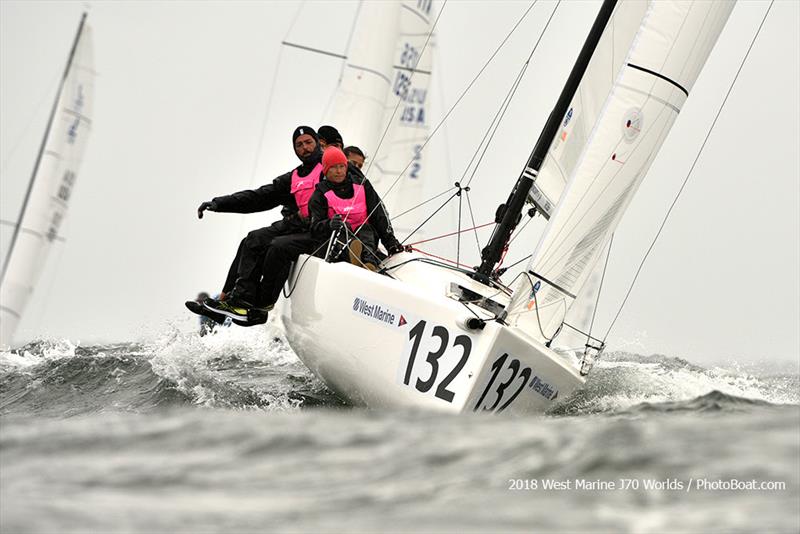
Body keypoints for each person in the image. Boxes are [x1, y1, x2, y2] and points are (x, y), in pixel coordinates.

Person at [191, 126, 324, 324]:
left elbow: (361, 196)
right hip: (297, 227)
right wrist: (219, 203)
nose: (304, 148)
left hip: (320, 230)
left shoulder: (332, 168)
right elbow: (259, 197)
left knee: (277, 247)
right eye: (299, 145)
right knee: (253, 239)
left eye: (308, 142)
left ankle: (259, 307)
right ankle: (237, 300)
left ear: (317, 143)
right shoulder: (293, 177)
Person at [309, 147, 404, 268]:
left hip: (366, 238)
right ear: (326, 170)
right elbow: (314, 227)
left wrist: (390, 242)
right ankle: (353, 254)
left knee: (366, 229)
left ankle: (369, 261)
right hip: (337, 244)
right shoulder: (320, 194)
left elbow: (378, 213)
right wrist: (329, 224)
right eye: (333, 167)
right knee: (344, 228)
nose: (338, 171)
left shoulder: (362, 184)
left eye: (341, 166)